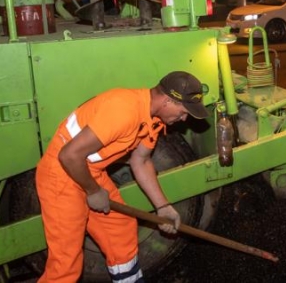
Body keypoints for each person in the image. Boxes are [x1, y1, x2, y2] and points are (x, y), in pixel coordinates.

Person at [35, 71, 209, 281]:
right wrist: (93, 191)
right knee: (66, 262)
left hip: (88, 170)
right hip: (61, 174)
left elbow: (141, 161)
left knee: (120, 228)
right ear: (167, 100)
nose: (184, 118)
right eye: (183, 111)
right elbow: (69, 155)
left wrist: (163, 206)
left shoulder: (154, 119)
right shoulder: (124, 110)